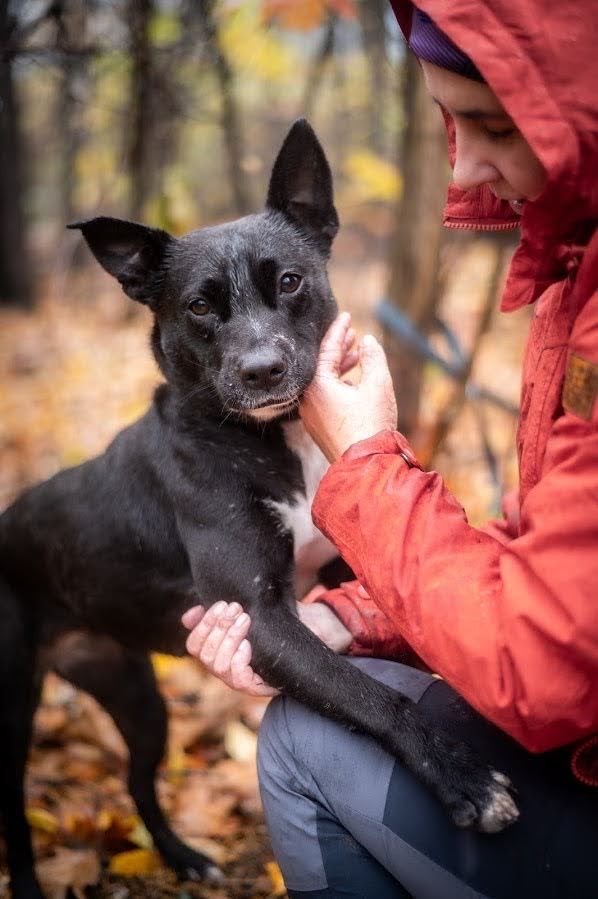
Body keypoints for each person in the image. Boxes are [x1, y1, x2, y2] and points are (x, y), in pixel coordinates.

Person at [182, 2, 598, 896]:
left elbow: (541, 668)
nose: (466, 165)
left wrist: (366, 455)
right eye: (452, 123)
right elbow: (547, 560)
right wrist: (349, 619)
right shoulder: (577, 279)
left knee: (298, 739)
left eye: (492, 123)